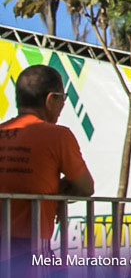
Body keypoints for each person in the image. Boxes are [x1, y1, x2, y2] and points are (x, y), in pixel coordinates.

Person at [0, 65, 94, 259]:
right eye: (63, 98)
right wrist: (58, 192)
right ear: (51, 99)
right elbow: (86, 187)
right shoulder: (58, 136)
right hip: (28, 247)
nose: (63, 105)